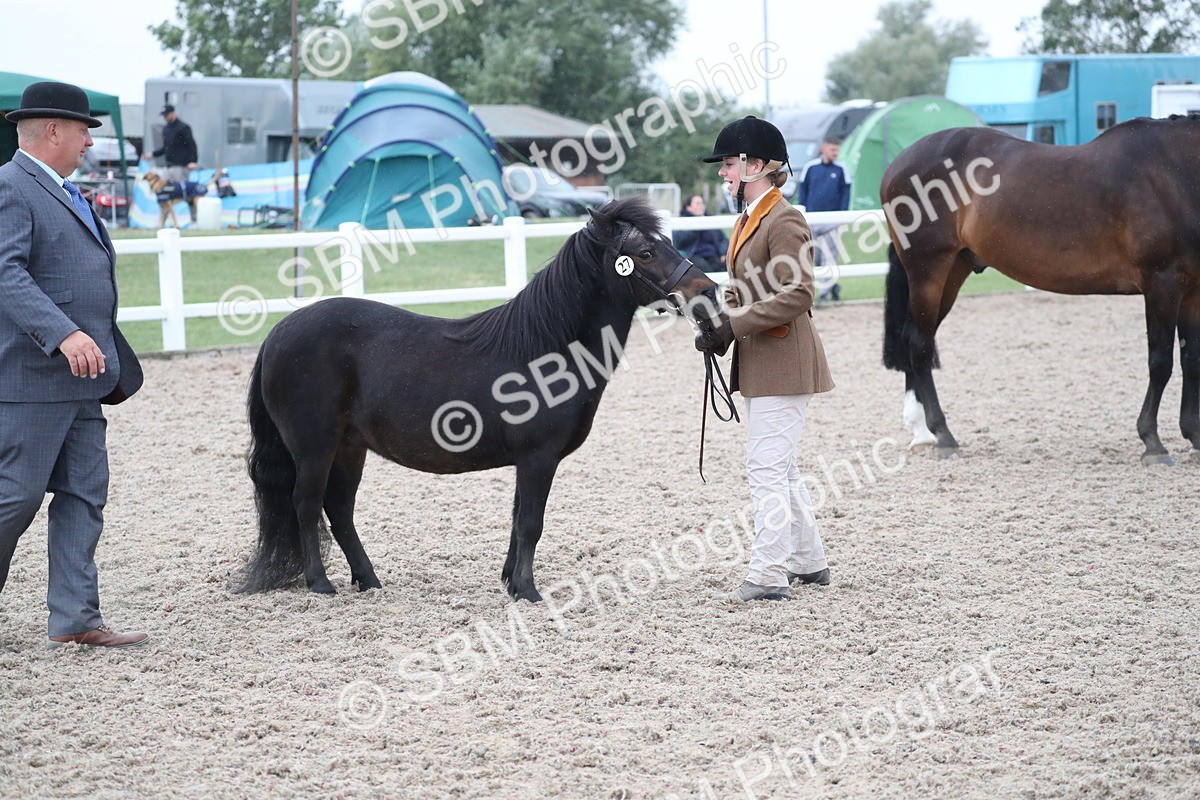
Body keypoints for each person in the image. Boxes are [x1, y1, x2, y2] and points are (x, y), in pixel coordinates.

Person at [0, 81, 146, 648]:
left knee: (85, 496)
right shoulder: (12, 187)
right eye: (84, 130)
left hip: (84, 380)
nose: (89, 141)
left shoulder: (64, 190)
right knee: (16, 497)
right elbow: (6, 274)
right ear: (53, 130)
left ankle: (76, 618)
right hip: (32, 379)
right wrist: (63, 333)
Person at [694, 115, 835, 603]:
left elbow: (799, 292)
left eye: (729, 165)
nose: (723, 173)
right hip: (760, 360)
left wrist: (734, 325)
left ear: (756, 166)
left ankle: (768, 573)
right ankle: (808, 562)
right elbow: (750, 290)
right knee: (783, 469)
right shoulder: (749, 218)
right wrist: (719, 330)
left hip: (784, 359)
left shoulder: (784, 219)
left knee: (766, 471)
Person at [795, 136, 851, 302]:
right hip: (811, 220)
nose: (836, 153)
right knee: (813, 257)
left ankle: (825, 293)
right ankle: (819, 289)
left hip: (832, 221)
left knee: (830, 257)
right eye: (833, 149)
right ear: (824, 149)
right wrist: (803, 214)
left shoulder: (842, 169)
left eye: (837, 150)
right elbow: (802, 192)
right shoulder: (810, 168)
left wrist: (841, 217)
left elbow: (846, 194)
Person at [673, 194, 729, 272]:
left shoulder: (710, 220)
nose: (701, 206)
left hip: (713, 255)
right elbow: (678, 241)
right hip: (694, 255)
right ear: (688, 207)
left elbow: (722, 239)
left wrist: (723, 253)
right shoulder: (681, 222)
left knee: (726, 267)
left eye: (702, 203)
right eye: (698, 203)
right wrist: (695, 226)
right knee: (707, 271)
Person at [151, 104, 198, 189]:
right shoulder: (166, 129)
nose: (165, 117)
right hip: (168, 166)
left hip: (180, 166)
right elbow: (165, 147)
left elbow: (191, 144)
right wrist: (153, 154)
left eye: (166, 115)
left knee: (180, 190)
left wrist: (193, 161)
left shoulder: (183, 127)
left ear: (173, 113)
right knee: (165, 190)